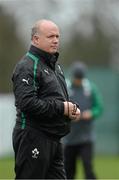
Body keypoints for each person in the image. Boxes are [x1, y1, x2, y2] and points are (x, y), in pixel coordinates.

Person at [12, 19, 80, 179]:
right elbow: (26, 103)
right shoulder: (27, 66)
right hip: (33, 137)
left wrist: (72, 110)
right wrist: (62, 108)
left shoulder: (55, 66)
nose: (56, 40)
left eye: (57, 36)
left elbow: (60, 98)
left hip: (54, 139)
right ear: (36, 39)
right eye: (50, 36)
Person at [63, 61, 103, 179]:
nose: (78, 81)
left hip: (86, 137)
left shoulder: (90, 88)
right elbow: (60, 105)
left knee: (88, 168)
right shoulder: (66, 87)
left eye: (80, 78)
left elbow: (99, 107)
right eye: (77, 78)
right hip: (69, 137)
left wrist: (91, 113)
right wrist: (68, 115)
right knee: (68, 171)